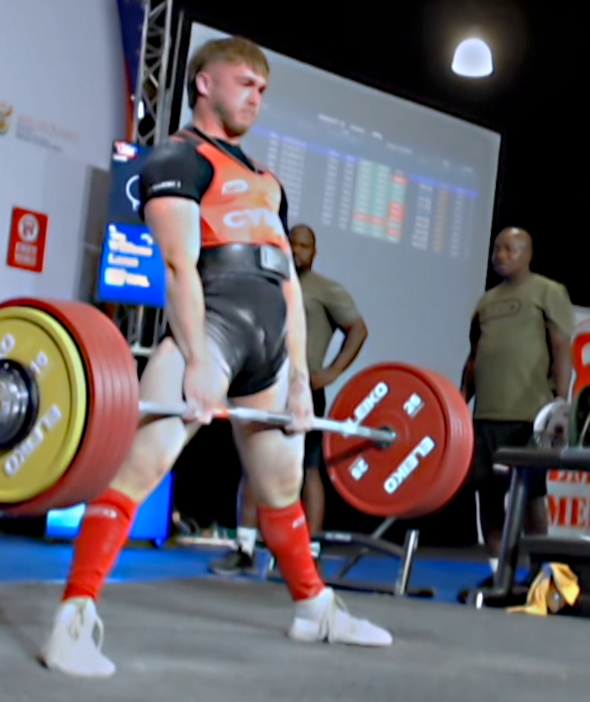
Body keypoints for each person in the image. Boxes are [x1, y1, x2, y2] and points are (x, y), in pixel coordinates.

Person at [39, 36, 392, 679]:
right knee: (139, 470)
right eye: (244, 82)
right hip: (215, 326)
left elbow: (287, 279)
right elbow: (178, 263)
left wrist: (299, 384)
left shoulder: (265, 180)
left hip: (269, 346)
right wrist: (199, 359)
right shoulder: (178, 156)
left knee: (281, 487)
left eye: (263, 88)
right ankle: (74, 617)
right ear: (204, 83)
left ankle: (313, 608)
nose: (256, 95)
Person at [210, 224, 369, 575]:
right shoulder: (268, 282)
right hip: (262, 385)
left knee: (309, 470)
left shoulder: (326, 289)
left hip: (304, 390)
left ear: (314, 252)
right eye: (292, 243)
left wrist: (330, 372)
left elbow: (358, 329)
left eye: (304, 246)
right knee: (253, 467)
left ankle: (307, 552)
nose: (297, 250)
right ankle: (245, 548)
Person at [458, 227, 574, 601]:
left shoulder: (548, 292)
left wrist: (560, 400)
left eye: (509, 249)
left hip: (531, 415)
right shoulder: (485, 302)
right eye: (496, 248)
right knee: (488, 498)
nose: (500, 254)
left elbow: (561, 347)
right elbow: (475, 357)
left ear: (527, 254)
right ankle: (498, 575)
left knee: (531, 495)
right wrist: (462, 400)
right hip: (485, 416)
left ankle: (543, 575)